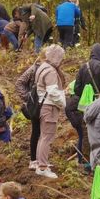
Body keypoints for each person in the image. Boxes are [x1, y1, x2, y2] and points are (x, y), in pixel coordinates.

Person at [70, 43, 100, 172]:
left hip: (83, 106)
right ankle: (93, 163)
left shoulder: (83, 67)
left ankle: (82, 161)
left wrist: (85, 94)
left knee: (84, 133)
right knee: (96, 134)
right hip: (98, 105)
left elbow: (76, 89)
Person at [32, 45, 66, 178]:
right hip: (49, 107)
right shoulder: (51, 71)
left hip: (43, 105)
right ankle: (42, 167)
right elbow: (52, 91)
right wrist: (63, 103)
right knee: (47, 137)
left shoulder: (42, 67)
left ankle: (42, 163)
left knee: (43, 136)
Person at [15, 49, 47, 170]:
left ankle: (42, 159)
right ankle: (33, 160)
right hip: (35, 105)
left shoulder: (50, 69)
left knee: (45, 133)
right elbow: (19, 83)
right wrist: (28, 97)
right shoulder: (34, 68)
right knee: (36, 132)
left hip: (46, 104)